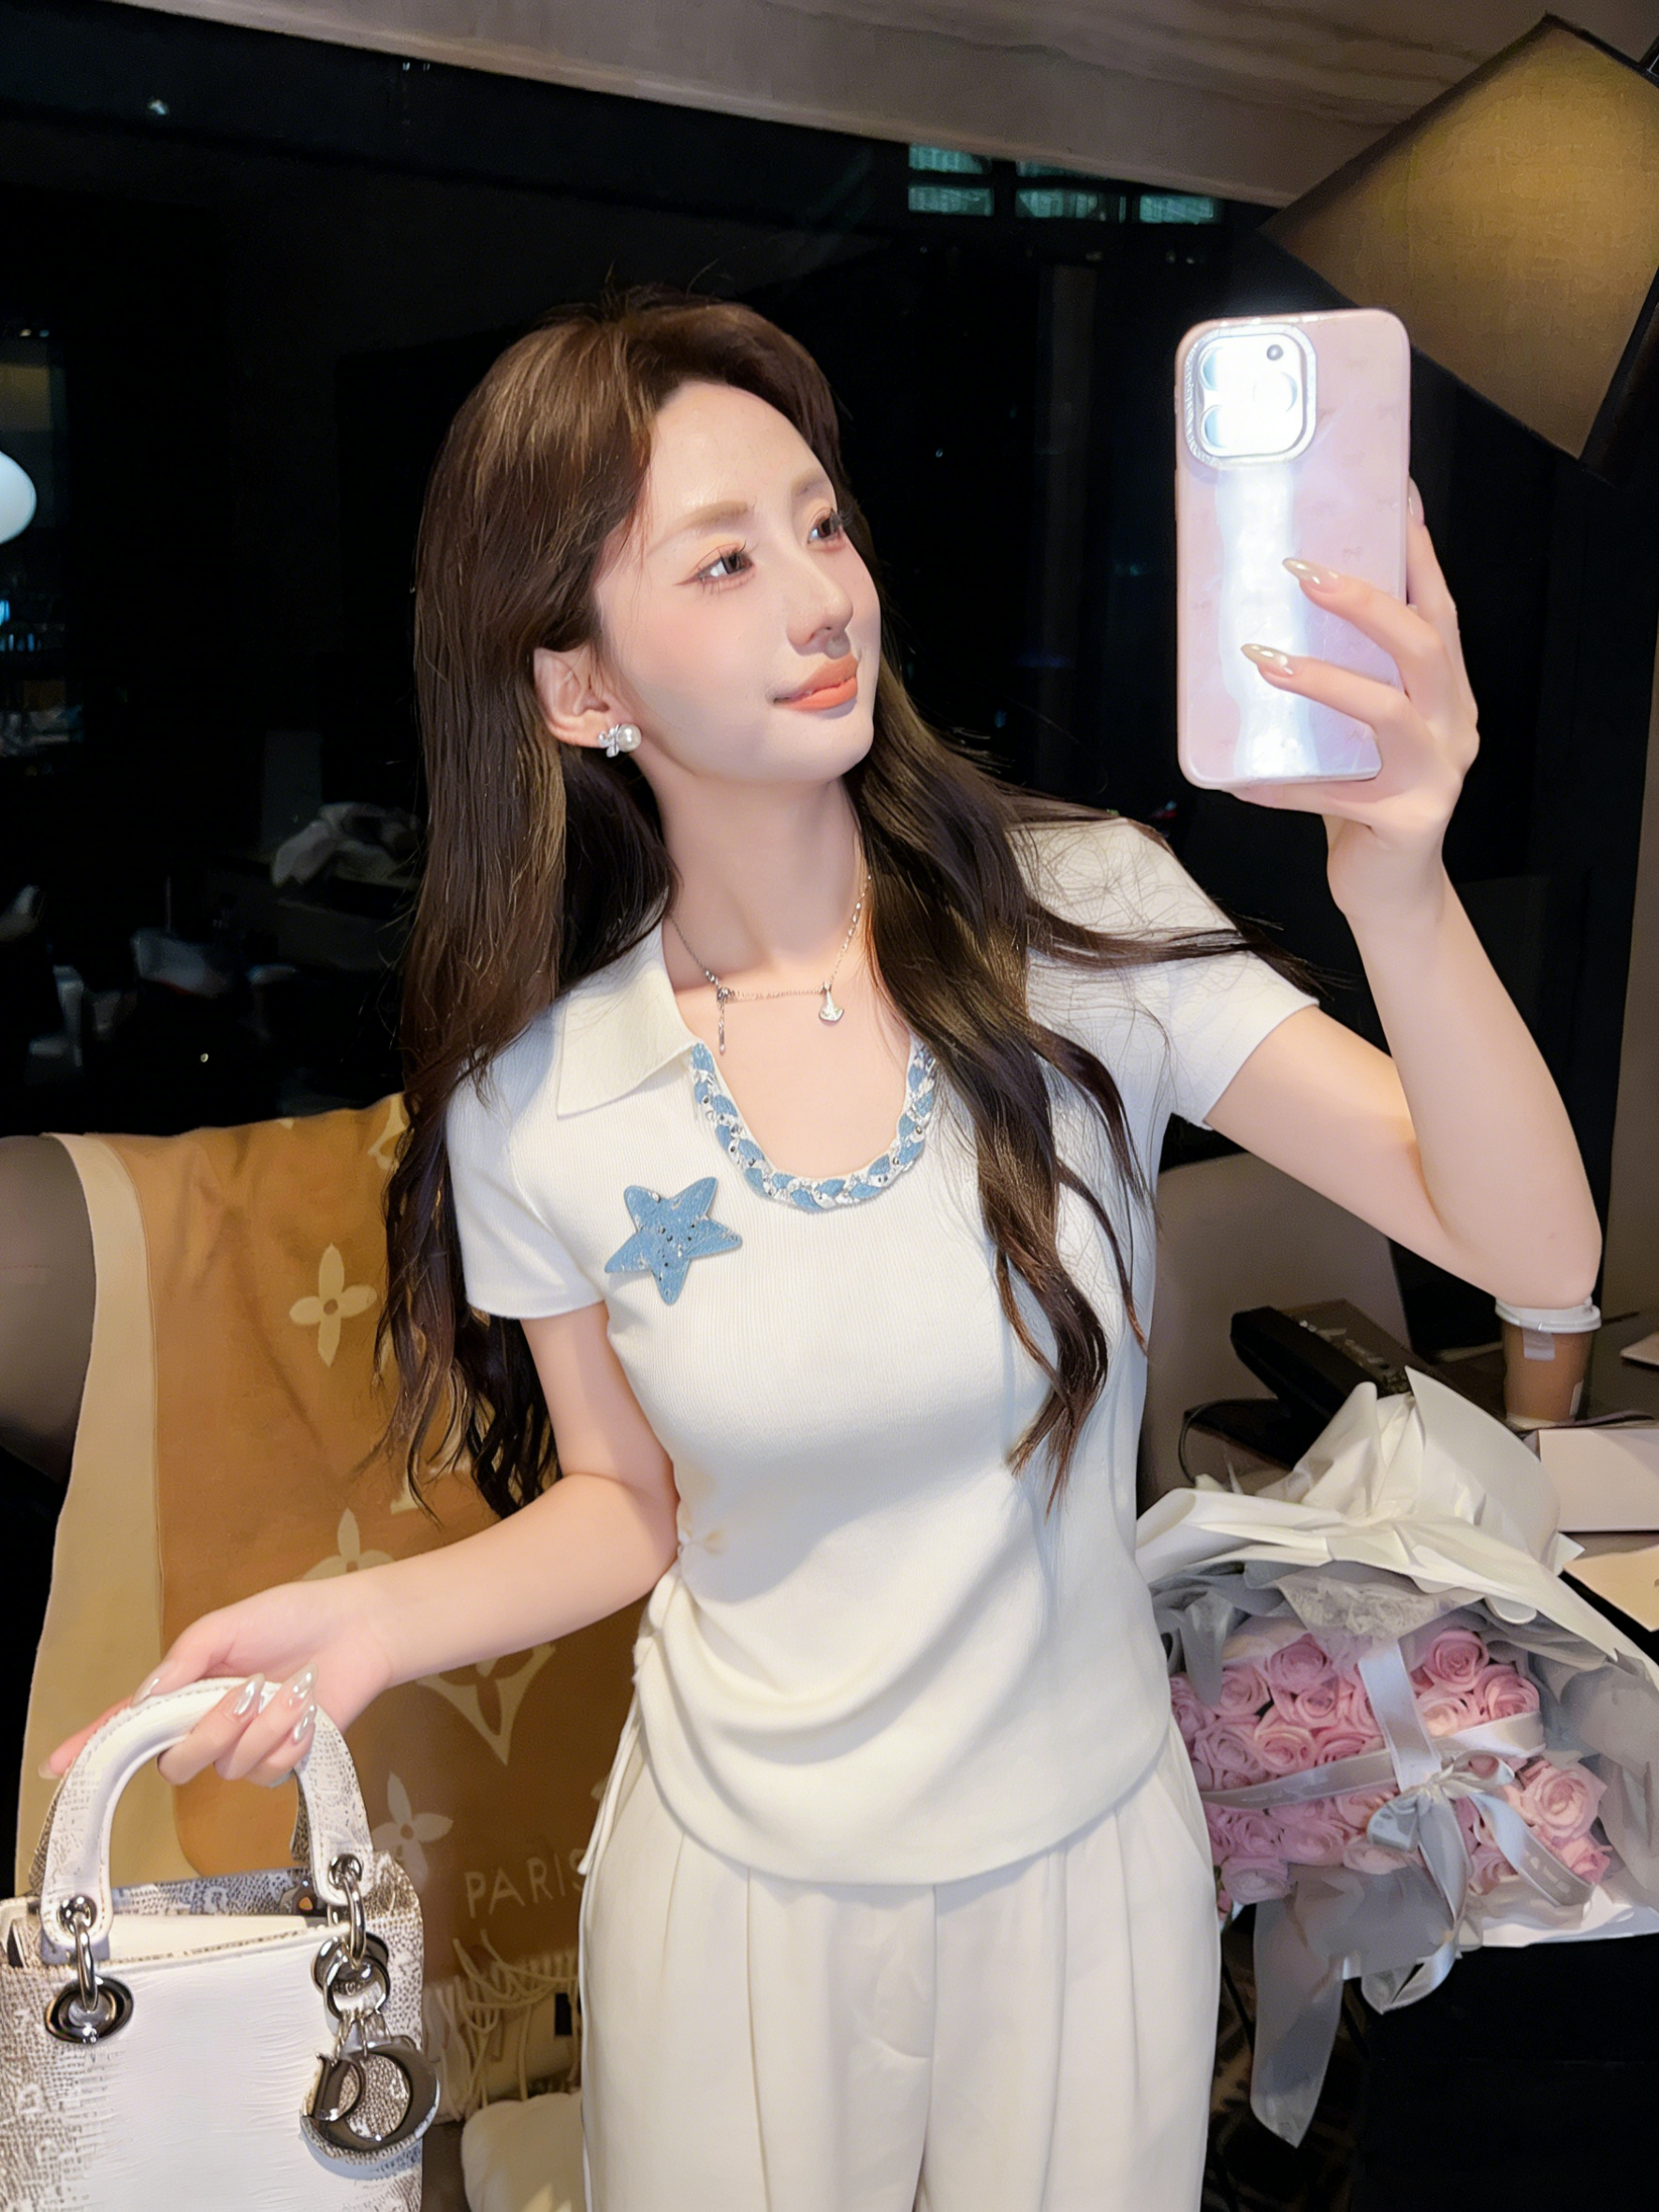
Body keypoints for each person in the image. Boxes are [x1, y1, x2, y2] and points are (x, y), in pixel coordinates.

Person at [44, 286, 1602, 2209]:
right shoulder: (539, 1096)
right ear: (580, 689)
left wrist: (1399, 880)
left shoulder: (1078, 920)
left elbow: (1529, 1242)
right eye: (724, 559)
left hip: (1086, 1874)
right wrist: (366, 1623)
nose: (820, 597)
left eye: (821, 524)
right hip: (736, 1905)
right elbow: (623, 1503)